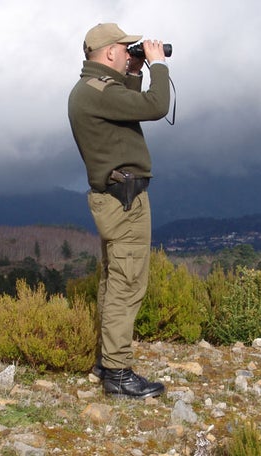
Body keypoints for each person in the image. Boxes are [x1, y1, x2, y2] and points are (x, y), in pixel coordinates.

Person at [68, 23, 170, 399]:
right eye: (125, 49)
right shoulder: (96, 92)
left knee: (115, 281)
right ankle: (118, 373)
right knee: (127, 285)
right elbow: (155, 107)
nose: (130, 52)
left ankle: (106, 360)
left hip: (115, 198)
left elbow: (125, 112)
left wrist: (135, 72)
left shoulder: (93, 90)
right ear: (109, 52)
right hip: (124, 202)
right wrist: (158, 65)